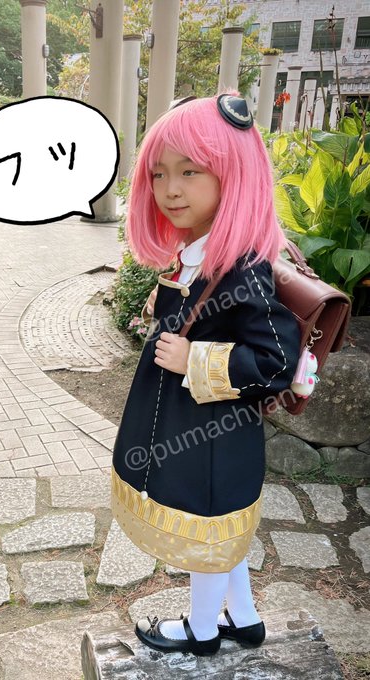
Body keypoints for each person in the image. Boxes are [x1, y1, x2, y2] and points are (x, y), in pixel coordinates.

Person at [110, 93, 301, 657]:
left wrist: (194, 358)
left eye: (190, 172)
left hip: (214, 432)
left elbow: (275, 360)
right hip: (190, 422)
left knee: (210, 521)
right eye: (159, 173)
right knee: (221, 529)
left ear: (232, 174)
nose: (170, 189)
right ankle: (243, 616)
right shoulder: (201, 251)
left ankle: (202, 631)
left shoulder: (243, 266)